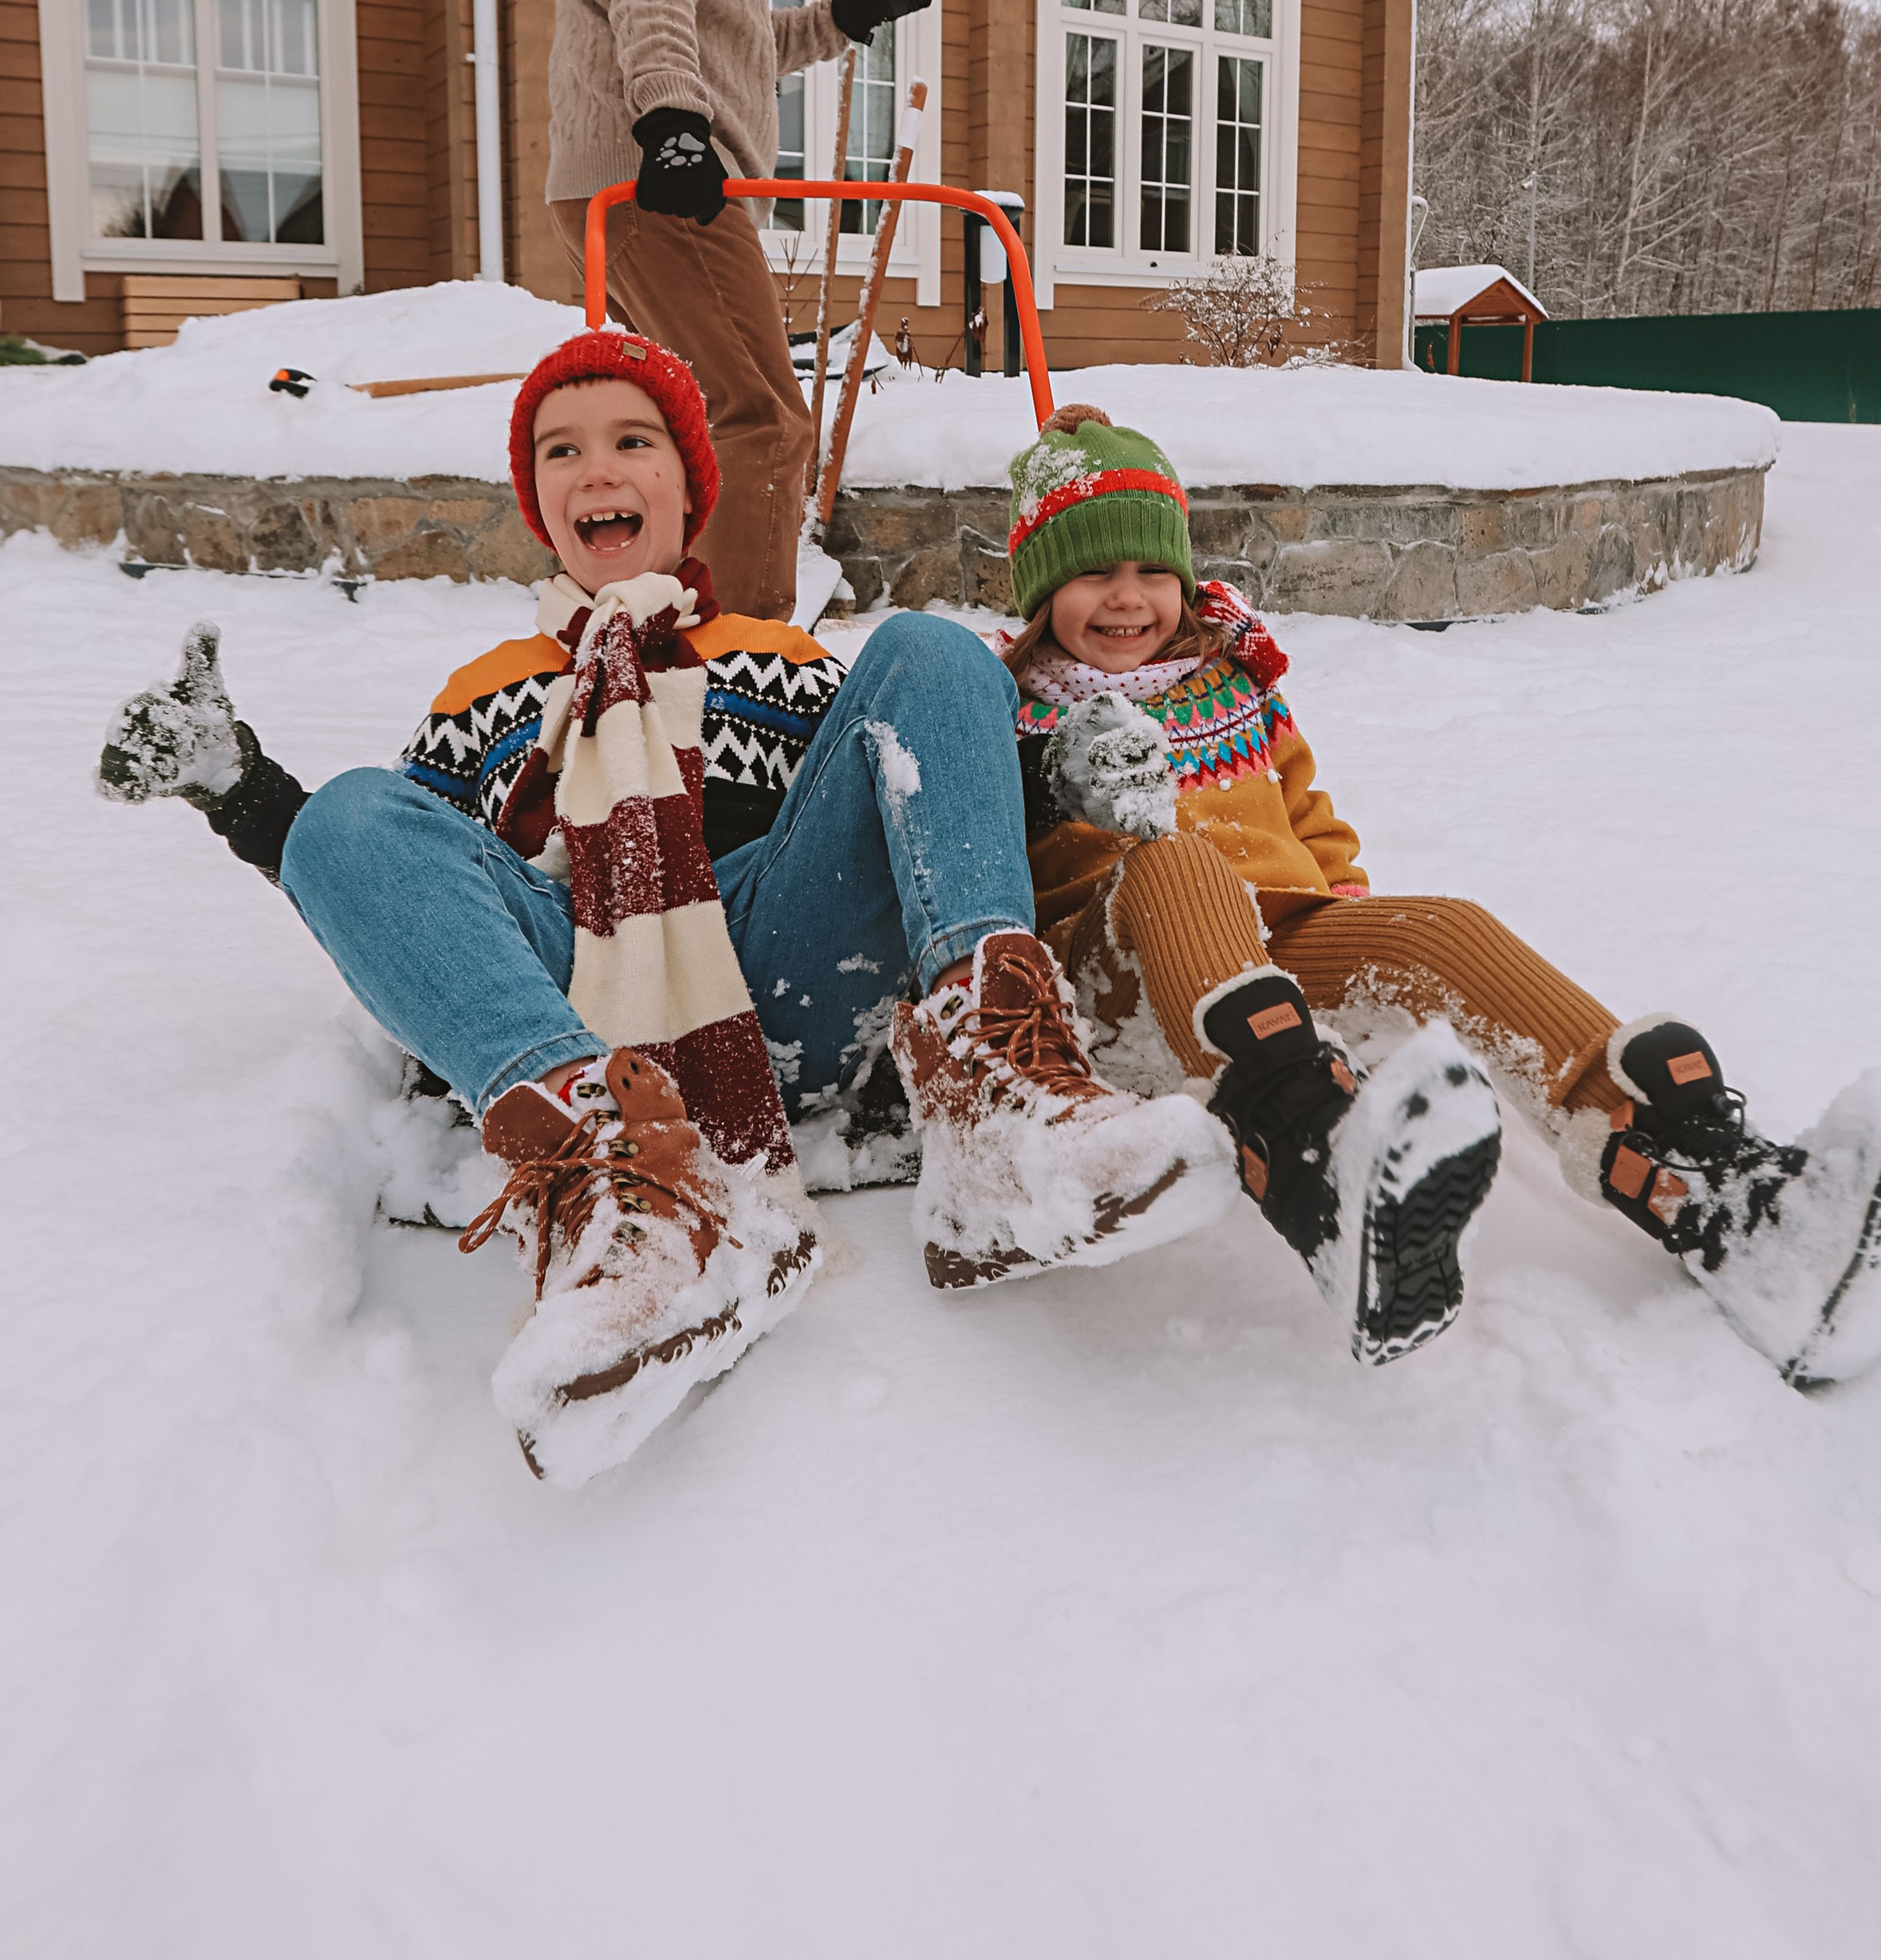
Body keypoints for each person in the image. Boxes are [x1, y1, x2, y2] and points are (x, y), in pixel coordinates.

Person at [97, 331, 1228, 1489]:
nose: (598, 469)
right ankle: (629, 1202)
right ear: (537, 499)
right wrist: (243, 792)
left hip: (788, 960)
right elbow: (403, 902)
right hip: (570, 987)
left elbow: (909, 793)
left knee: (936, 656)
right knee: (349, 813)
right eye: (561, 450)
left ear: (690, 487)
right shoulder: (482, 693)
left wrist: (1055, 778)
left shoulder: (781, 658)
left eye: (634, 442)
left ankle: (1000, 1107)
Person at [978, 400, 1881, 1391]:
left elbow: (1309, 821)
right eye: (1093, 572)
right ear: (1040, 587)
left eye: (1153, 569)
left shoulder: (1236, 683)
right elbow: (983, 873)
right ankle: (1308, 1164)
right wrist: (1050, 787)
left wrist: (1351, 913)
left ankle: (1715, 1190)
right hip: (1125, 987)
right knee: (1179, 860)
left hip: (1274, 962)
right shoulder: (1006, 709)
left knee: (1441, 927)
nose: (1128, 597)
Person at [546, 0, 932, 619]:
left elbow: (739, 49)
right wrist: (673, 122)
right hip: (661, 178)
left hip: (651, 176)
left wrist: (853, 12)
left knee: (679, 427)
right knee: (762, 419)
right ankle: (750, 667)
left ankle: (661, 631)